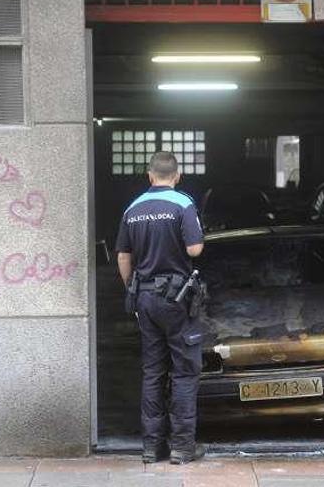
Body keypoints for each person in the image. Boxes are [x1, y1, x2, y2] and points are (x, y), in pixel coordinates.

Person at [116, 152, 206, 465]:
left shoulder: (133, 208)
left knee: (153, 372)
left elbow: (123, 257)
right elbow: (195, 248)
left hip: (145, 298)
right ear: (177, 175)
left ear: (150, 176)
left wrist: (133, 289)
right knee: (184, 372)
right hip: (177, 300)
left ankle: (151, 448)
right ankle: (182, 447)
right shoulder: (183, 204)